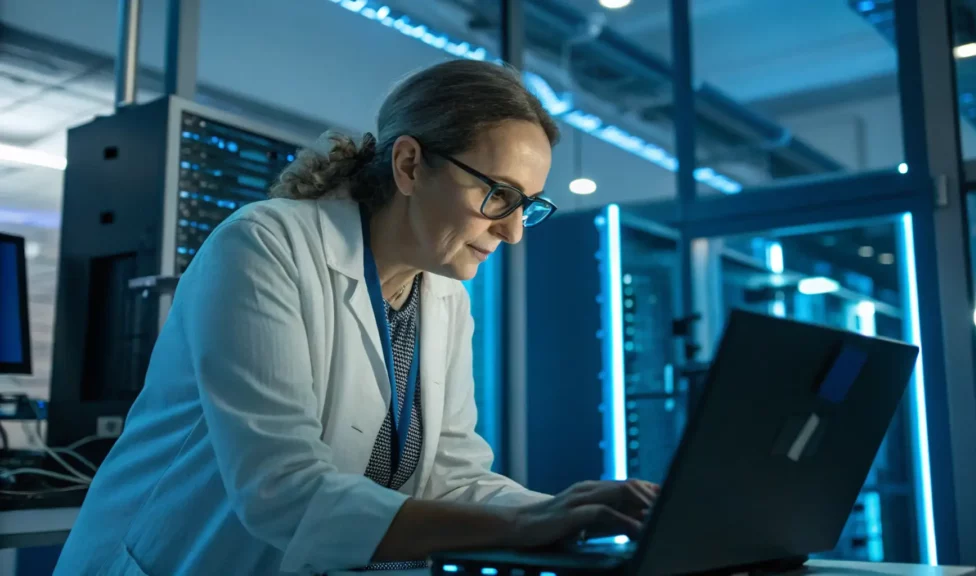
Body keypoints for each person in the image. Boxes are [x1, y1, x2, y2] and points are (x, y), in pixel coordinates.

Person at [55, 60, 657, 576]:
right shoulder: (265, 246)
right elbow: (282, 492)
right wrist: (533, 524)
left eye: (529, 205)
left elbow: (451, 479)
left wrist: (569, 511)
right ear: (410, 165)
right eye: (497, 193)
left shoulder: (444, 297)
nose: (514, 230)